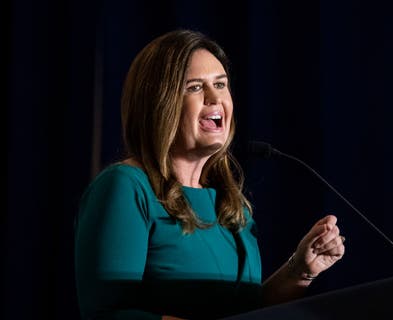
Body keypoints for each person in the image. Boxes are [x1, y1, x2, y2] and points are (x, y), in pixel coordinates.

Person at [74, 29, 345, 320]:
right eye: (194, 87)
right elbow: (108, 314)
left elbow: (246, 313)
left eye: (221, 84)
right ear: (159, 103)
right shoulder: (126, 188)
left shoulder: (231, 205)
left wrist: (298, 271)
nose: (214, 98)